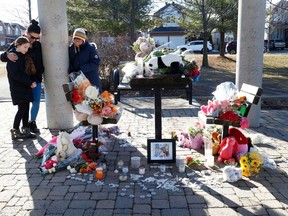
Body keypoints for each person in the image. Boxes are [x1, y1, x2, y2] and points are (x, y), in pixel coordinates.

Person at [1, 19, 45, 133]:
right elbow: (4, 56)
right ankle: (20, 128)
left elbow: (40, 63)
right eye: (32, 37)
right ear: (27, 32)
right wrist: (7, 55)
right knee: (25, 104)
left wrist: (38, 77)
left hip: (35, 78)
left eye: (36, 38)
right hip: (23, 81)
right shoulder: (19, 42)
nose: (33, 40)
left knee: (35, 101)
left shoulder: (37, 45)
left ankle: (32, 122)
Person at [6, 36, 37, 140]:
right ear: (18, 46)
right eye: (25, 47)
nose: (26, 49)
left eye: (28, 47)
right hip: (17, 88)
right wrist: (29, 82)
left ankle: (26, 129)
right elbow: (16, 75)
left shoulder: (23, 55)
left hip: (25, 87)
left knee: (26, 108)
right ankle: (15, 130)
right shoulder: (13, 57)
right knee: (22, 109)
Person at [68, 28, 102, 93]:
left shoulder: (90, 48)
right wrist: (72, 72)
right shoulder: (70, 49)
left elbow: (95, 62)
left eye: (79, 38)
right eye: (75, 38)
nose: (76, 40)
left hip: (91, 79)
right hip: (78, 81)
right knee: (80, 100)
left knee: (93, 99)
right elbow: (70, 62)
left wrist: (81, 69)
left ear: (83, 39)